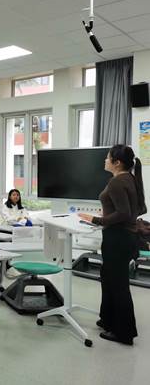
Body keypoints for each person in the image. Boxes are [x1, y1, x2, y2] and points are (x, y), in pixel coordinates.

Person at [79, 145, 146, 346]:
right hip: (124, 237)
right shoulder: (130, 178)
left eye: (108, 158)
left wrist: (96, 219)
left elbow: (123, 213)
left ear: (117, 163)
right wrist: (107, 216)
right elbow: (138, 209)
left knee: (118, 285)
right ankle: (108, 320)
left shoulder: (117, 181)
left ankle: (124, 333)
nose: (105, 161)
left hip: (118, 238)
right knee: (108, 279)